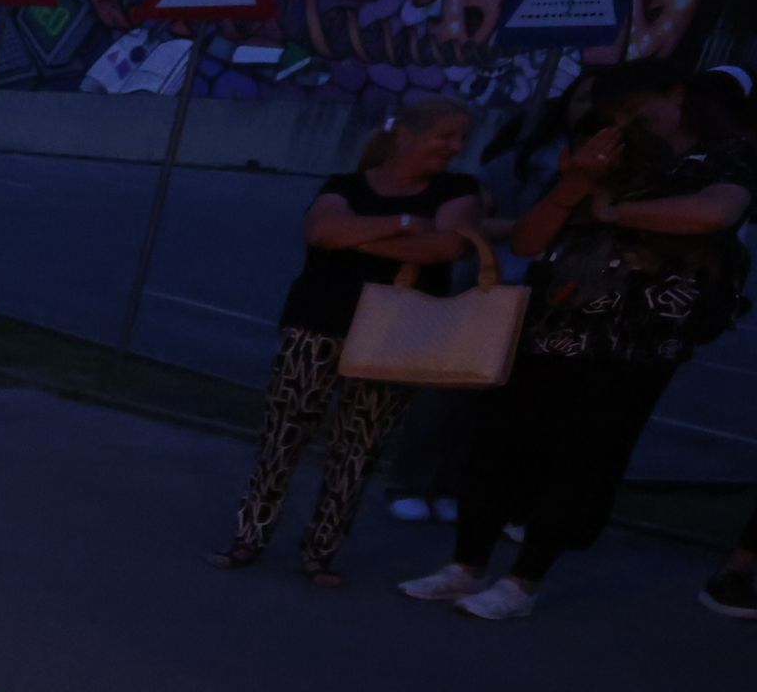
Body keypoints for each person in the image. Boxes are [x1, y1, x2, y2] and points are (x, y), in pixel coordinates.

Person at [406, 64, 752, 619]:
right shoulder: (604, 150)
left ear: (676, 91)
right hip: (552, 323)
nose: (627, 124)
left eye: (637, 111)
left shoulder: (725, 155)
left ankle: (524, 581)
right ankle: (465, 565)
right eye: (615, 116)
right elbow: (529, 237)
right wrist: (573, 187)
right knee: (499, 444)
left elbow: (715, 213)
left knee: (584, 460)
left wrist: (615, 211)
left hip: (638, 342)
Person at [219, 99, 492, 582]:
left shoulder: (459, 190)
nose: (456, 147)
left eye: (461, 138)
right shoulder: (345, 185)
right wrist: (406, 223)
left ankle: (321, 553)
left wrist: (357, 237)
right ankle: (250, 537)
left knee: (359, 446)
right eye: (446, 135)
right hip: (317, 324)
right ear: (407, 133)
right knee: (283, 436)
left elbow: (447, 246)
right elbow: (322, 229)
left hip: (396, 333)